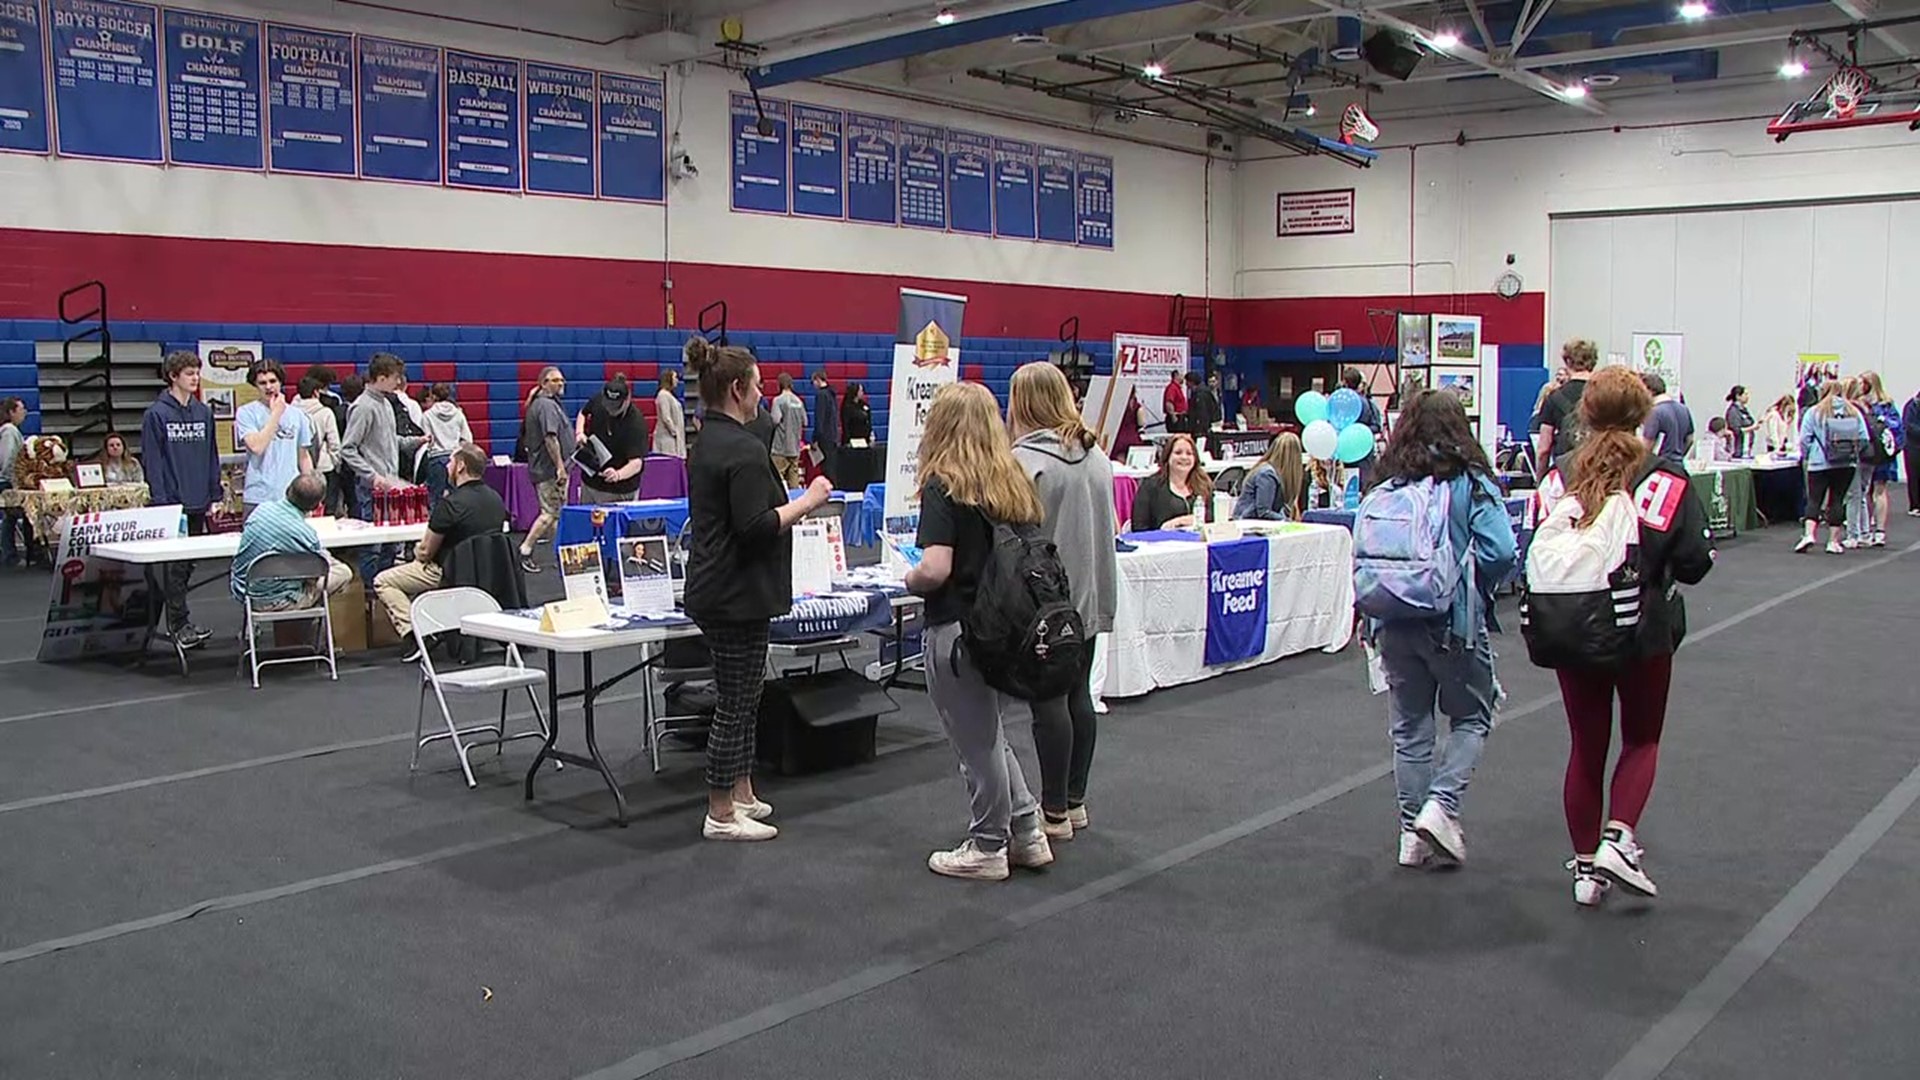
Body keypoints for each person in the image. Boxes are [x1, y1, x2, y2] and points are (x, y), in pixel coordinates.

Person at [1533, 367, 1714, 906]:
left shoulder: (1559, 475)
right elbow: (1694, 561)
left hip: (1575, 624)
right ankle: (1619, 834)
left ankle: (1586, 870)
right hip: (1643, 627)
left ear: (1583, 414)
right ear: (1644, 415)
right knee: (1641, 739)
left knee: (1585, 747)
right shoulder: (1665, 478)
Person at [681, 337, 834, 842]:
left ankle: (740, 790)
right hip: (734, 592)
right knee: (737, 701)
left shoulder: (714, 439)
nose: (764, 395)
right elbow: (755, 526)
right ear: (737, 388)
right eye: (758, 386)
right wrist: (809, 499)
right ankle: (719, 810)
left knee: (744, 697)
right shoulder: (741, 452)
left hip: (726, 587)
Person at [908, 381, 1053, 880]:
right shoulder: (1011, 481)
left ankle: (988, 843)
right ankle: (1027, 828)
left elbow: (935, 569)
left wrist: (908, 576)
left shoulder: (943, 486)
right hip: (1004, 626)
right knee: (990, 733)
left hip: (956, 626)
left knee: (973, 741)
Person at [1368, 389, 1517, 868]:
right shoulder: (1469, 483)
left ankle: (1411, 833)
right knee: (1474, 715)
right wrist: (1477, 587)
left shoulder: (1386, 481)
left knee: (1410, 729)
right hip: (1450, 620)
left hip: (1390, 617)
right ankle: (1442, 804)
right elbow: (1501, 551)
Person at [1008, 362, 1117, 842]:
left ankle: (1052, 810)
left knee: (1048, 702)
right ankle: (1073, 801)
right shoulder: (1097, 457)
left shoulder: (1024, 462)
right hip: (1089, 593)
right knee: (1079, 697)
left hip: (1043, 602)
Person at [372, 444, 507, 656]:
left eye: (450, 462)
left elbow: (425, 552)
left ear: (461, 466)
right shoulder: (496, 500)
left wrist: (416, 553)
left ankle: (415, 634)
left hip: (448, 572)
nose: (446, 466)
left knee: (383, 580)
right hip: (487, 571)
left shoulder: (449, 505)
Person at [141, 351, 223, 648]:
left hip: (199, 499)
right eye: (189, 373)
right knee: (173, 570)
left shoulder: (203, 413)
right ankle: (179, 624)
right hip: (172, 504)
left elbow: (212, 455)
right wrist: (161, 501)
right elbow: (153, 460)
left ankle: (181, 621)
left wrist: (216, 492)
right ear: (173, 376)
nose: (195, 378)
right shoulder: (156, 414)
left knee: (187, 567)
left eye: (197, 373)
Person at [339, 353, 425, 585]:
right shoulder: (363, 407)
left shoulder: (386, 403)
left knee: (391, 544)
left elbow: (388, 440)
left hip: (391, 485)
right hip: (372, 491)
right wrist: (372, 476)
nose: (399, 382)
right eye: (396, 377)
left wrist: (416, 441)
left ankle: (385, 590)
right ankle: (369, 596)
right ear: (382, 377)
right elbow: (347, 449)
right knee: (372, 547)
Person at [230, 472, 353, 612]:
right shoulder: (306, 535)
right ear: (317, 506)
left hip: (246, 593)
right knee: (342, 571)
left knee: (315, 562)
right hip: (283, 599)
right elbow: (317, 573)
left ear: (287, 489)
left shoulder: (260, 511)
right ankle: (311, 625)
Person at [233, 358, 313, 520]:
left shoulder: (298, 415)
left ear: (280, 382)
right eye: (262, 383)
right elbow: (257, 447)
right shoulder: (246, 413)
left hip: (291, 497)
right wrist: (276, 413)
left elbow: (303, 456)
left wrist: (309, 495)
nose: (268, 387)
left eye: (272, 381)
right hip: (258, 497)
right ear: (255, 385)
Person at [1797, 378, 1867, 555]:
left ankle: (1808, 534)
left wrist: (1809, 455)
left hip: (1819, 463)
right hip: (1845, 463)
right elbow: (1864, 437)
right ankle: (1833, 541)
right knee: (1836, 500)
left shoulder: (1814, 412)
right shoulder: (1853, 411)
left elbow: (1804, 439)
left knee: (1814, 499)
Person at [517, 366, 574, 573]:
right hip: (549, 470)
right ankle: (525, 549)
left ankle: (561, 554)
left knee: (557, 515)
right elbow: (551, 438)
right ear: (544, 383)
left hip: (549, 469)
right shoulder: (546, 406)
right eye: (555, 380)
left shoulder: (547, 404)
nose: (560, 383)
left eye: (562, 380)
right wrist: (560, 467)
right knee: (549, 514)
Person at [575, 375, 649, 505]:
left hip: (619, 490)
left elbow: (637, 463)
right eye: (608, 405)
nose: (610, 409)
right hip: (590, 481)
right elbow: (583, 412)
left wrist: (618, 474)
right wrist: (580, 433)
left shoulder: (636, 423)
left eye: (615, 406)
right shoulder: (599, 400)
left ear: (627, 401)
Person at [1851, 371, 1900, 548]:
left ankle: (1877, 530)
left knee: (1875, 491)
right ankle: (1870, 530)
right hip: (1874, 452)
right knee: (1869, 492)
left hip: (1876, 452)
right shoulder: (1882, 404)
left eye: (1862, 383)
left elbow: (1895, 426)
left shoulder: (1882, 404)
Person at [1535, 340, 1598, 474]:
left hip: (1566, 472)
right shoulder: (1606, 395)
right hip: (1598, 471)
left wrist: (1541, 480)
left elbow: (1543, 449)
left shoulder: (1553, 397)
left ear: (1568, 361)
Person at [1131, 433, 1214, 531]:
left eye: (1189, 453)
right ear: (1168, 456)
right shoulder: (1150, 486)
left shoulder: (1204, 484)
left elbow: (1214, 518)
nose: (1184, 457)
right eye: (1178, 453)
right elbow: (1139, 527)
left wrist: (1181, 521)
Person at [1233, 432, 1305, 521]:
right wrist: (1287, 521)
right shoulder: (1266, 475)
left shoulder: (1276, 474)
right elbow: (1263, 512)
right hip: (1246, 523)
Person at [293, 374, 340, 507]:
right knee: (326, 508)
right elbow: (334, 442)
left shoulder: (291, 412)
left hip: (297, 467)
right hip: (324, 467)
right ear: (316, 392)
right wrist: (335, 462)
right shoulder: (326, 413)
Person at [1638, 372, 1693, 467]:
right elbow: (1690, 439)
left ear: (1649, 391)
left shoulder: (1654, 412)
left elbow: (1647, 447)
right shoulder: (1683, 409)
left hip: (1661, 467)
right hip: (1679, 466)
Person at [0, 397, 28, 567]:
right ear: (11, 412)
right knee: (11, 516)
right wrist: (14, 482)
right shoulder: (9, 430)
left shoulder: (9, 430)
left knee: (11, 517)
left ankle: (9, 553)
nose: (24, 413)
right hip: (7, 481)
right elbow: (9, 458)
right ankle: (9, 554)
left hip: (7, 479)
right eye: (21, 409)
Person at [769, 372, 807, 489]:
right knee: (794, 482)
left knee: (777, 479)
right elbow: (805, 421)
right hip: (795, 449)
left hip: (780, 448)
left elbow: (775, 420)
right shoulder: (799, 402)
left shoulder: (778, 401)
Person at [421, 382, 472, 452]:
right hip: (455, 456)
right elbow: (467, 439)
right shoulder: (458, 414)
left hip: (435, 457)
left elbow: (426, 440)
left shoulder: (427, 415)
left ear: (433, 396)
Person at [811, 370, 840, 485]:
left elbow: (820, 417)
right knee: (832, 466)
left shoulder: (821, 395)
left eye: (813, 381)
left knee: (826, 468)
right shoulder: (831, 394)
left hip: (824, 437)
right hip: (832, 435)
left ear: (818, 379)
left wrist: (815, 438)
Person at [653, 368, 687, 458]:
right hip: (667, 439)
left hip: (673, 438)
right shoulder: (663, 395)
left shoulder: (669, 395)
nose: (677, 380)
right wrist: (674, 432)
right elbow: (666, 417)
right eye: (675, 378)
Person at [1723, 386, 1758, 459]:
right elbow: (1736, 430)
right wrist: (1752, 428)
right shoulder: (1733, 411)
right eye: (1745, 394)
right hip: (1737, 449)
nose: (1747, 397)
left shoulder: (1744, 410)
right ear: (1738, 396)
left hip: (1746, 448)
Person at [1905, 386, 1920, 516]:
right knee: (1914, 474)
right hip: (1913, 445)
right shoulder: (1912, 405)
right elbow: (1909, 426)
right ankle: (1915, 504)